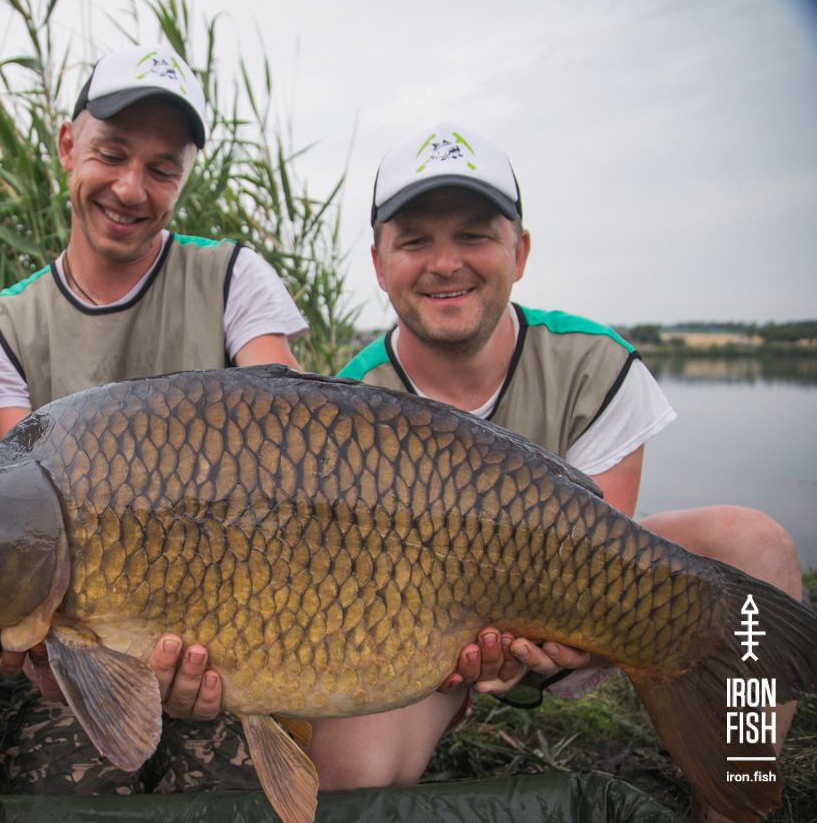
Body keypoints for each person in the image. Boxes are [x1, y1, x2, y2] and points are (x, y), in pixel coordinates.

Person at [325, 121, 802, 821]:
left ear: (519, 251)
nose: (445, 263)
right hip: (426, 638)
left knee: (753, 546)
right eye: (415, 241)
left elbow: (604, 558)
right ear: (378, 262)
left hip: (579, 612)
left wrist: (559, 641)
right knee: (349, 777)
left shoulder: (595, 363)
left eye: (473, 235)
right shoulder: (346, 407)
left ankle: (737, 793)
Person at [0, 43, 311, 795]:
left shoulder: (231, 278)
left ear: (184, 176)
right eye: (111, 154)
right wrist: (47, 654)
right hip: (73, 660)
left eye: (161, 169)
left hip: (237, 638)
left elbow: (298, 441)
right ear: (67, 146)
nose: (130, 188)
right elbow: (10, 526)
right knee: (67, 790)